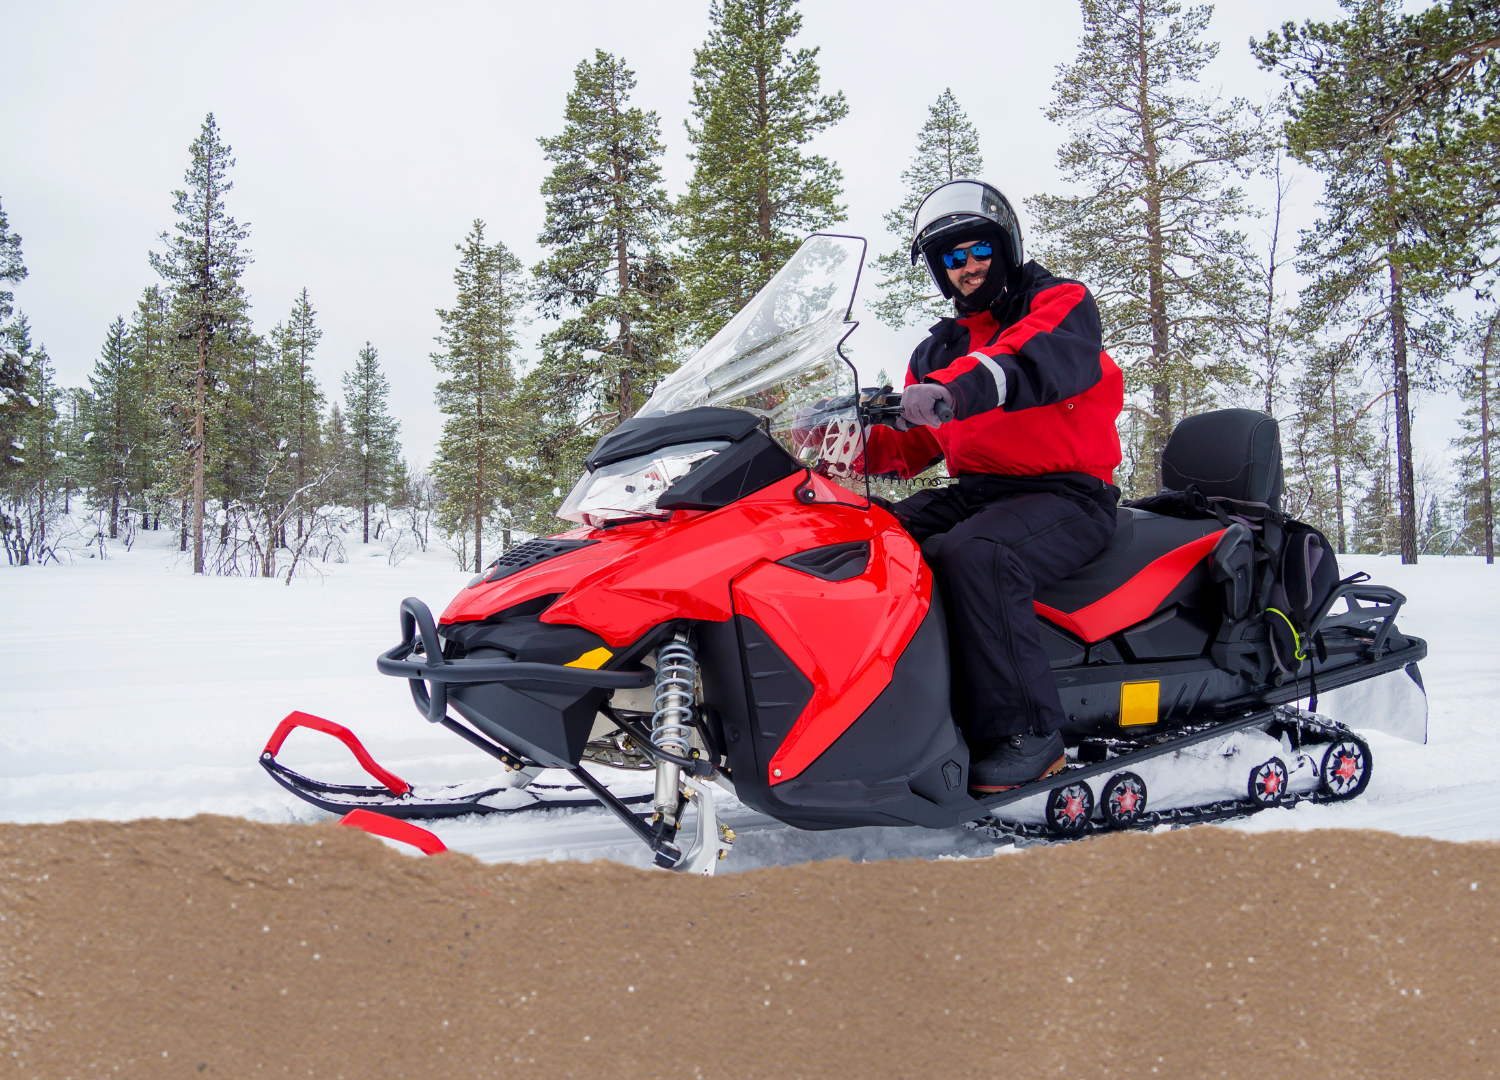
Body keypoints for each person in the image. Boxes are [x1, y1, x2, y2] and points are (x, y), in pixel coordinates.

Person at [867, 180, 1124, 792]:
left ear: (1003, 246)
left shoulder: (1058, 305)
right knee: (874, 536)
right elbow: (911, 443)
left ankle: (1028, 735)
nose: (968, 267)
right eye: (951, 259)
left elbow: (1022, 363)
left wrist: (955, 392)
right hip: (980, 489)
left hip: (1067, 494)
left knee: (978, 554)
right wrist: (835, 440)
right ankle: (892, 713)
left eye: (978, 250)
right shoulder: (939, 349)